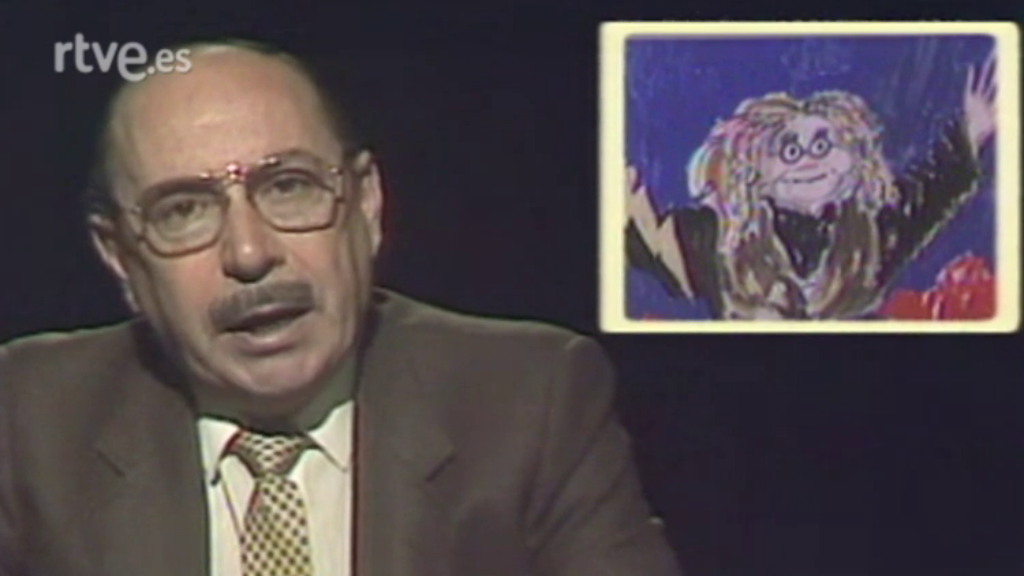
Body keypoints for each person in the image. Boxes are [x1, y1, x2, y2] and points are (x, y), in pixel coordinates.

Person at [0, 40, 682, 576]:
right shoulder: (26, 423)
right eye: (183, 211)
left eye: (288, 186)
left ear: (367, 206)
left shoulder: (529, 399)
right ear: (120, 256)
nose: (249, 252)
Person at [626, 51, 997, 320]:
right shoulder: (713, 237)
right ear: (754, 172)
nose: (808, 161)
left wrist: (971, 133)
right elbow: (646, 243)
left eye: (822, 146)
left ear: (855, 162)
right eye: (789, 150)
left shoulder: (876, 233)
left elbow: (933, 191)